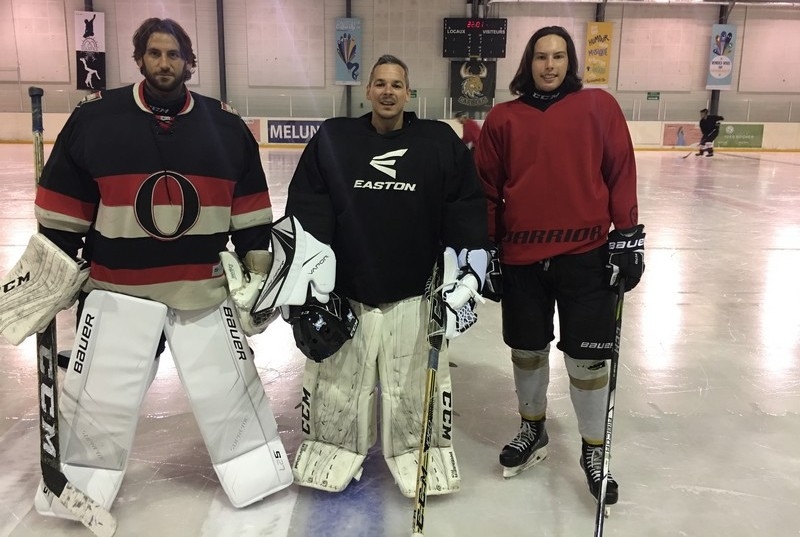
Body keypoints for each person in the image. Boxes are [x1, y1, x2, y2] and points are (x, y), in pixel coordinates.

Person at [0, 17, 327, 520]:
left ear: (187, 61)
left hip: (204, 290)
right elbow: (64, 214)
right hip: (118, 292)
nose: (164, 63)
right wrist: (52, 271)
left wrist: (258, 273)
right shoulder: (96, 120)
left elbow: (251, 211)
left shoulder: (226, 125)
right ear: (140, 58)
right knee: (99, 404)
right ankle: (79, 488)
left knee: (230, 394)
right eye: (155, 53)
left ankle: (258, 475)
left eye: (174, 54)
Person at [284, 54, 491, 497]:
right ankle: (332, 447)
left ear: (408, 91)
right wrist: (309, 280)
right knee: (338, 384)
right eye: (380, 83)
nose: (388, 91)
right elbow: (309, 204)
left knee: (414, 386)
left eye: (396, 84)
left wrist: (467, 276)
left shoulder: (438, 141)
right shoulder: (334, 139)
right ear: (367, 90)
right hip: (349, 293)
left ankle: (421, 452)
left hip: (414, 292)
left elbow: (465, 207)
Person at [474, 26, 645, 508]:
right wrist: (486, 248)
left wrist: (627, 234)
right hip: (521, 258)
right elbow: (487, 188)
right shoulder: (502, 118)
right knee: (526, 350)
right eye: (540, 57)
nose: (549, 65)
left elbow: (620, 169)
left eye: (558, 56)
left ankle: (594, 451)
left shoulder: (598, 107)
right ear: (527, 63)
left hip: (586, 256)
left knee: (588, 358)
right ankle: (533, 430)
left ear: (571, 62)